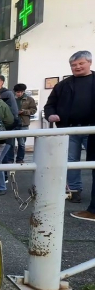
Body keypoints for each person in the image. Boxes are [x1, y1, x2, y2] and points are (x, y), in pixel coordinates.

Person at [45, 51, 94, 207]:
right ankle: (74, 191)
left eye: (81, 63)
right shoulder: (63, 85)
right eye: (73, 65)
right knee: (71, 161)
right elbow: (50, 105)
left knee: (93, 162)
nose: (77, 67)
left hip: (92, 129)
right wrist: (51, 115)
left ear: (90, 62)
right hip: (70, 129)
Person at [0, 74, 20, 185]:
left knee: (0, 158)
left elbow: (13, 113)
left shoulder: (7, 94)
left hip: (3, 132)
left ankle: (2, 181)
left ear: (1, 82)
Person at [13, 84, 37, 164]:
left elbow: (33, 110)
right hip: (13, 123)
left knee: (22, 143)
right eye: (17, 92)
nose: (18, 94)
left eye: (20, 92)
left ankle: (20, 159)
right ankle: (9, 159)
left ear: (23, 91)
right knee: (10, 143)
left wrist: (24, 111)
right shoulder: (13, 99)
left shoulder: (29, 99)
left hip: (24, 123)